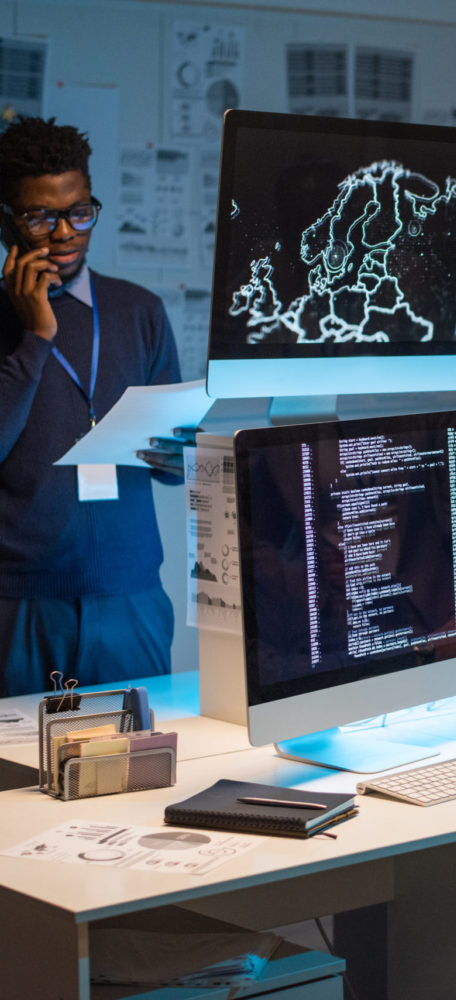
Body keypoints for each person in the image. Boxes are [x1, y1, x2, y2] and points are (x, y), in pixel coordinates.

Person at [0, 116, 183, 697]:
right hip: (18, 604)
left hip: (131, 596)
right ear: (6, 223)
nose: (65, 233)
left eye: (80, 211)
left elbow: (177, 459)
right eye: (39, 217)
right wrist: (36, 337)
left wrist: (180, 457)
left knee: (145, 777)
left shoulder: (139, 310)